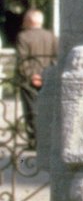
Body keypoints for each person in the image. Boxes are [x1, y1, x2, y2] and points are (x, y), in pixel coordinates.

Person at [15, 8, 57, 149]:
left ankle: (35, 141)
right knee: (47, 109)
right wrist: (47, 74)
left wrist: (32, 76)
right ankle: (47, 139)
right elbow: (56, 57)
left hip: (29, 81)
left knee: (31, 110)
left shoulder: (23, 37)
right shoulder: (51, 36)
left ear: (29, 21)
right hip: (48, 78)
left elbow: (22, 60)